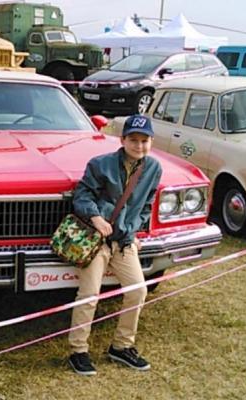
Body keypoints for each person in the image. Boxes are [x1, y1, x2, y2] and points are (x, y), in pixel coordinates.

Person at [67, 114, 162, 376]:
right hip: (97, 241)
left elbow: (145, 206)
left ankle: (121, 346)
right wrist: (96, 217)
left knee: (138, 291)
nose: (139, 146)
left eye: (144, 140)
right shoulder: (100, 164)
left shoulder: (154, 168)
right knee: (89, 295)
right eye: (133, 140)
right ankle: (78, 351)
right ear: (122, 140)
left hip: (124, 242)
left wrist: (134, 232)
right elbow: (82, 195)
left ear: (151, 141)